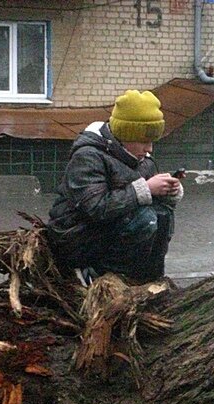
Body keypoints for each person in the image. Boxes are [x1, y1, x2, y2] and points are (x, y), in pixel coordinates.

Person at [47, 89, 183, 284]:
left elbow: (149, 196)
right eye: (144, 141)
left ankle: (148, 280)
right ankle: (104, 278)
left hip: (109, 230)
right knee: (145, 219)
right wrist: (146, 189)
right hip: (76, 237)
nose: (149, 148)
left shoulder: (142, 159)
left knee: (162, 214)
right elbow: (95, 208)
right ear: (125, 135)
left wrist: (169, 190)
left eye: (152, 141)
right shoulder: (88, 156)